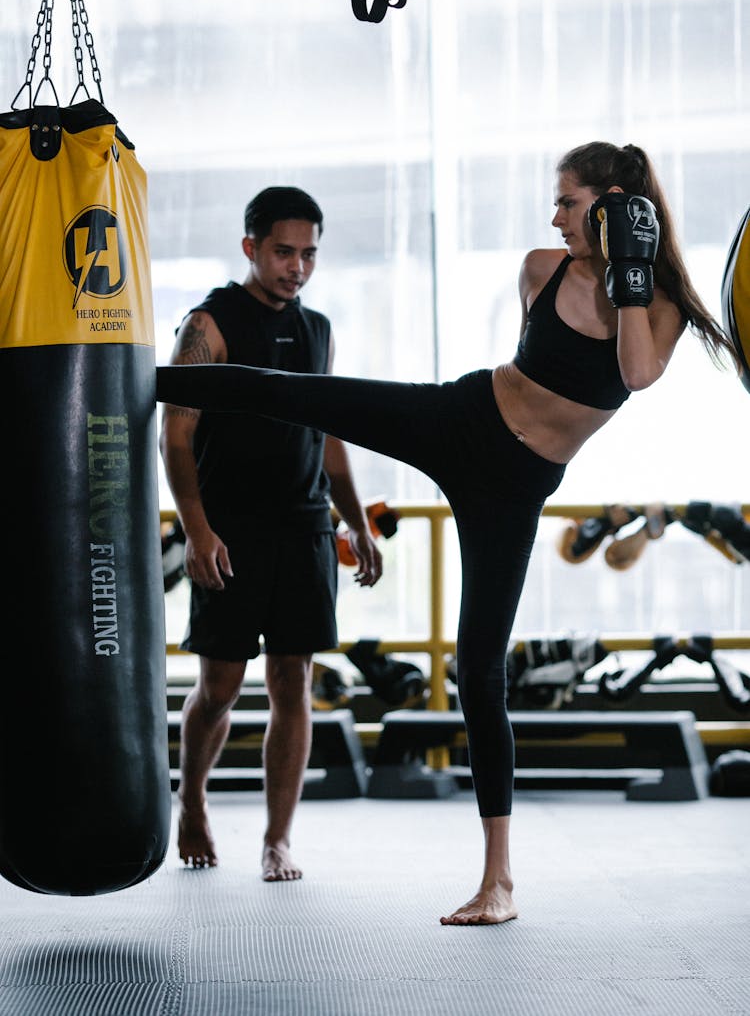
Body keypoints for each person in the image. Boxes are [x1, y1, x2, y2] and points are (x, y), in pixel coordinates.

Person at [156, 143, 735, 922]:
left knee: (477, 670)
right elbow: (540, 367)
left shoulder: (657, 305)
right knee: (304, 397)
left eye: (567, 201)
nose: (553, 216)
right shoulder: (542, 268)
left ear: (610, 204)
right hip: (463, 420)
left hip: (514, 489)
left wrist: (632, 264)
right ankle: (133, 376)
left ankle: (498, 882)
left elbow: (633, 372)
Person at [159, 186, 383, 881]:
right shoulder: (211, 323)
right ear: (251, 246)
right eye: (284, 252)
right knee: (221, 685)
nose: (298, 267)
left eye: (309, 254)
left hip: (305, 526)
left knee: (295, 680)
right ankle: (191, 799)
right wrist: (196, 531)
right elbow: (175, 434)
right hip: (230, 531)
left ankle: (276, 838)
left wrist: (354, 519)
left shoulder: (317, 329)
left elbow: (330, 433)